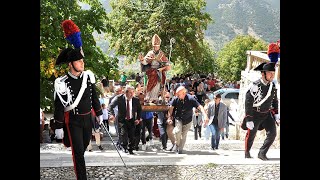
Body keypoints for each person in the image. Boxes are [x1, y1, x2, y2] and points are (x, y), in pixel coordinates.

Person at [53, 19, 103, 180]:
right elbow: (59, 105)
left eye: (82, 61)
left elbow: (93, 95)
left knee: (81, 150)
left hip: (87, 119)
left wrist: (99, 113)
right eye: (79, 61)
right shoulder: (62, 82)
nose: (82, 63)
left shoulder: (87, 77)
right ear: (71, 64)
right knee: (78, 153)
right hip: (73, 120)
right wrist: (59, 126)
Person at [241, 62, 279, 160]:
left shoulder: (273, 86)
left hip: (267, 113)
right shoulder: (255, 86)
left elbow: (274, 100)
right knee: (251, 135)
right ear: (263, 74)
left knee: (272, 133)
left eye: (273, 73)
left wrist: (276, 114)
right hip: (255, 114)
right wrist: (249, 119)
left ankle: (262, 153)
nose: (272, 75)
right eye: (270, 73)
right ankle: (247, 152)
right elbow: (248, 102)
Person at [167, 86, 209, 154]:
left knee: (183, 136)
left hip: (188, 120)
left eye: (178, 94)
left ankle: (180, 150)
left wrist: (205, 116)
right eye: (176, 94)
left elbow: (200, 107)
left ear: (184, 93)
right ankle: (177, 145)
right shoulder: (176, 99)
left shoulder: (191, 99)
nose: (177, 95)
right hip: (179, 118)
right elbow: (171, 108)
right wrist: (169, 117)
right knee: (177, 131)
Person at [108, 85, 142, 155]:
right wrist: (112, 114)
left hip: (131, 119)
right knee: (124, 134)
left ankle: (131, 148)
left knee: (132, 135)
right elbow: (110, 106)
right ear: (125, 92)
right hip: (122, 119)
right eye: (129, 92)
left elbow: (139, 110)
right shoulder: (119, 98)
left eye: (132, 93)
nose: (131, 94)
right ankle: (124, 147)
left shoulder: (136, 100)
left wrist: (138, 119)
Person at [138, 34, 171, 103]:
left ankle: (155, 98)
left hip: (159, 71)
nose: (156, 48)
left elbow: (166, 63)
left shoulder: (161, 54)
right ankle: (148, 97)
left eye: (157, 46)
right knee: (150, 84)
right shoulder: (150, 53)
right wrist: (142, 60)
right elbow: (145, 62)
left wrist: (164, 66)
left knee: (158, 85)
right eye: (154, 46)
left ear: (159, 46)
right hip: (151, 71)